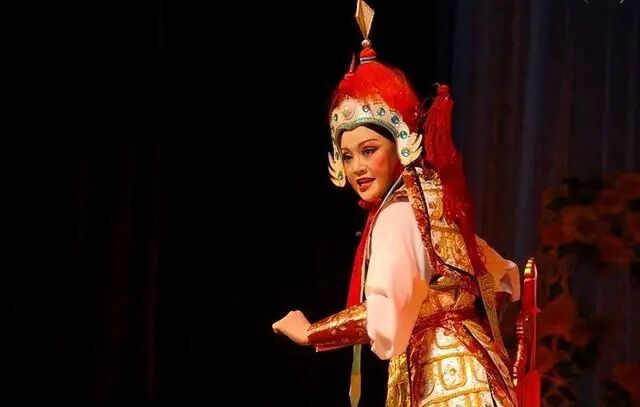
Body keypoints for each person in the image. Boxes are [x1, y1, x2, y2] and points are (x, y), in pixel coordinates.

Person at [272, 2, 521, 406]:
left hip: (444, 379)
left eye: (369, 150)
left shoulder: (398, 214)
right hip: (476, 365)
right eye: (348, 155)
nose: (358, 167)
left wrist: (311, 332)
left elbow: (385, 316)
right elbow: (499, 278)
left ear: (399, 146)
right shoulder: (432, 199)